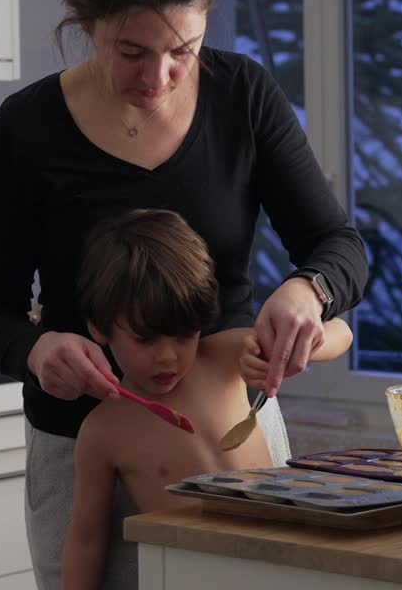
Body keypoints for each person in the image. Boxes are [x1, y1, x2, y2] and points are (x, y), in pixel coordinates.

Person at [0, 0, 368, 589]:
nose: (161, 77)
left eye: (185, 49)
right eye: (133, 52)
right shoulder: (22, 132)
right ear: (88, 23)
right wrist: (37, 348)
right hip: (80, 448)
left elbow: (340, 246)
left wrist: (310, 291)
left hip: (237, 440)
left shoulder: (242, 95)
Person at [61, 209, 352, 590]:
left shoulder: (225, 355)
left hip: (281, 559)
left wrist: (302, 344)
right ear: (99, 328)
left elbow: (342, 332)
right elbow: (86, 538)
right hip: (192, 575)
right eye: (146, 339)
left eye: (184, 335)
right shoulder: (103, 430)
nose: (168, 357)